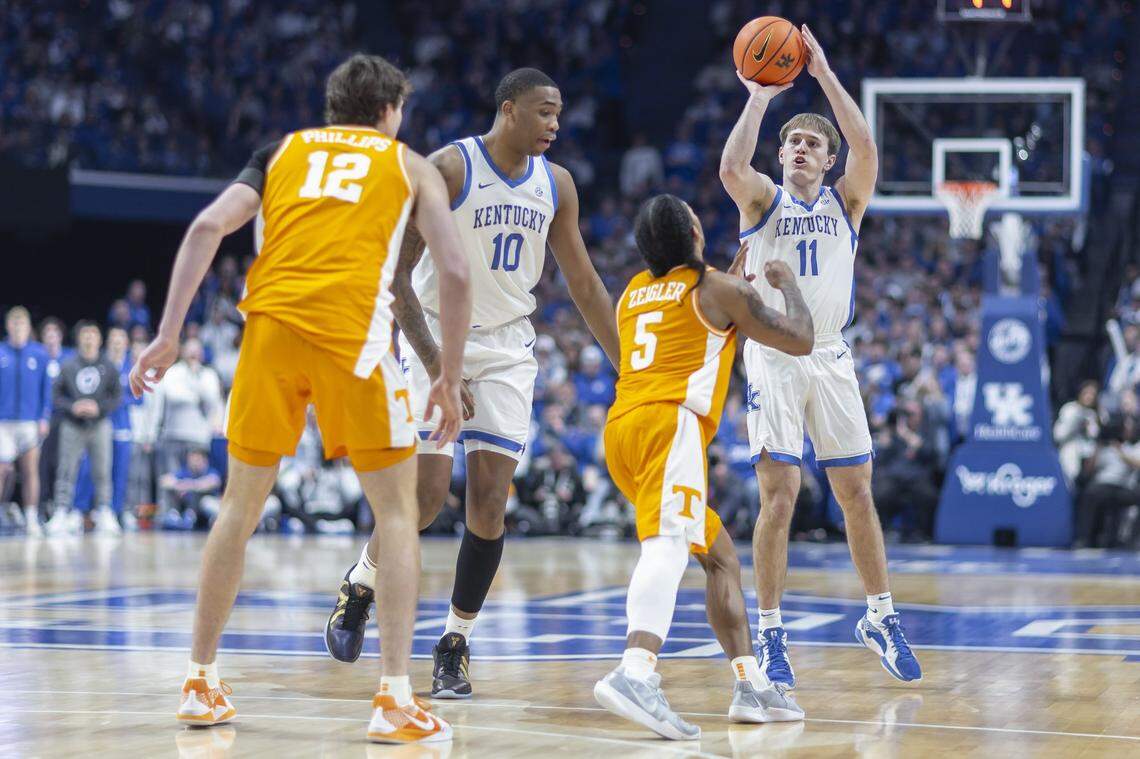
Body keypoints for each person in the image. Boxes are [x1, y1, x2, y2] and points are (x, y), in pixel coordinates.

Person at [130, 53, 470, 743]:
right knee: (397, 514)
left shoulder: (280, 150)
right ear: (389, 111)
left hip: (269, 331)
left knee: (238, 507)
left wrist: (168, 334)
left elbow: (204, 229)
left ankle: (199, 679)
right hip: (354, 335)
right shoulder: (408, 163)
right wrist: (447, 372)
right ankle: (394, 698)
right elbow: (456, 269)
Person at [324, 68, 622, 701]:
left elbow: (587, 285)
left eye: (559, 114)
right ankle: (361, 583)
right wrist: (438, 367)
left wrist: (630, 365)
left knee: (490, 501)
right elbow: (397, 280)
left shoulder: (558, 186)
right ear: (508, 110)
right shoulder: (451, 168)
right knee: (427, 498)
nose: (555, 125)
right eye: (544, 112)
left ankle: (455, 642)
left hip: (509, 347)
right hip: (435, 336)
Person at [718, 26, 921, 687]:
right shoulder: (762, 201)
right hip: (774, 355)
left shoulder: (846, 201)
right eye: (794, 142)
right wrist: (758, 95)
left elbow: (865, 145)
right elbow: (729, 168)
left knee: (856, 491)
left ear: (828, 162)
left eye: (813, 144)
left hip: (831, 354)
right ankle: (771, 634)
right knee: (781, 496)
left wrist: (826, 74)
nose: (802, 149)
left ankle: (881, 615)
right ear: (780, 156)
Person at [594, 194, 813, 739]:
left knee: (720, 558)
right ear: (696, 232)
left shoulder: (633, 293)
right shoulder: (718, 289)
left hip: (623, 431)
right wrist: (786, 283)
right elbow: (802, 339)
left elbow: (694, 322)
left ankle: (748, 682)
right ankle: (636, 671)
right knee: (667, 545)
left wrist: (731, 287)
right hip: (672, 427)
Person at [48, 321, 121, 535]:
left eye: (93, 334)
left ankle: (105, 512)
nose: (89, 338)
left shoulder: (108, 366)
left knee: (102, 470)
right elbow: (56, 396)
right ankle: (61, 511)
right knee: (66, 469)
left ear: (99, 339)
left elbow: (117, 396)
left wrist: (99, 407)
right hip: (72, 424)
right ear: (78, 338)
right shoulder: (68, 365)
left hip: (100, 424)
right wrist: (73, 407)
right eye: (85, 334)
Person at [0, 306, 52, 536]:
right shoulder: (0, 352)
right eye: (14, 324)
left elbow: (47, 389)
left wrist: (44, 417)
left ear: (28, 327)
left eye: (22, 324)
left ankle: (31, 516)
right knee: (2, 470)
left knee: (30, 469)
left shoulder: (39, 354)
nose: (18, 328)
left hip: (30, 422)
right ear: (8, 326)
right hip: (3, 422)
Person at [159, 448, 222, 530]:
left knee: (206, 502)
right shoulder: (184, 472)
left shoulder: (210, 471)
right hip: (187, 511)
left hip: (205, 512)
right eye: (192, 458)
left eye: (197, 459)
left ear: (204, 460)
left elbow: (213, 481)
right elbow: (164, 480)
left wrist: (191, 485)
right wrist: (179, 484)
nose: (194, 462)